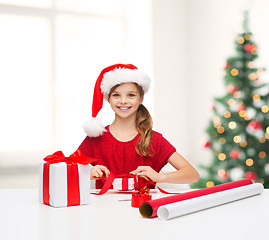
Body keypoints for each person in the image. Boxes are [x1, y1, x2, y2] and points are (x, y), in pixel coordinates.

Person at [77, 63, 199, 189]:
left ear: (141, 99)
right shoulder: (96, 138)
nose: (123, 101)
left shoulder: (154, 139)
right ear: (108, 99)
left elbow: (192, 174)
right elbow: (64, 171)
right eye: (116, 95)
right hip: (104, 208)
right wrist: (86, 174)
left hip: (143, 208)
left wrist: (159, 177)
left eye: (131, 95)